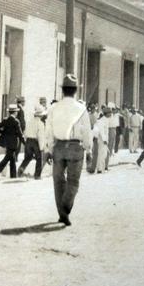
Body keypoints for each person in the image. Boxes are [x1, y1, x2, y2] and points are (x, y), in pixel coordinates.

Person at [46, 74, 92, 226]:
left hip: (58, 146)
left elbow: (49, 130)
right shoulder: (81, 108)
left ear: (63, 90)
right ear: (75, 91)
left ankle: (62, 213)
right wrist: (89, 149)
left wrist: (48, 149)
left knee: (58, 181)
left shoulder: (53, 108)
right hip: (75, 147)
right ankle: (66, 206)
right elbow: (87, 131)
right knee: (73, 181)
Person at [0, 104, 24, 179]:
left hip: (7, 142)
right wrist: (25, 142)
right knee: (8, 158)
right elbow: (20, 134)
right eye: (16, 112)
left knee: (12, 159)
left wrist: (3, 133)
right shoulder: (16, 121)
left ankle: (13, 176)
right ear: (15, 112)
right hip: (13, 142)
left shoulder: (6, 120)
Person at [18, 106, 47, 179]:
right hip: (35, 141)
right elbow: (40, 136)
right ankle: (37, 175)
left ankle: (21, 168)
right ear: (40, 115)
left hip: (28, 140)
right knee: (39, 158)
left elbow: (25, 132)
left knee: (28, 157)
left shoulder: (29, 122)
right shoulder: (40, 123)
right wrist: (41, 147)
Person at [92, 107, 111, 173]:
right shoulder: (101, 121)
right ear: (106, 113)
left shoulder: (106, 120)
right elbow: (102, 131)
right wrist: (104, 140)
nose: (110, 114)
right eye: (109, 113)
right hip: (102, 140)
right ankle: (99, 169)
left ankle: (101, 168)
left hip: (104, 140)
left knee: (105, 154)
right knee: (102, 154)